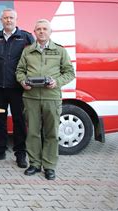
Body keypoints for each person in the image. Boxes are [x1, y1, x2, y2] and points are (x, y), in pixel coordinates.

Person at [16, 19, 75, 180]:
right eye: (38, 29)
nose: (41, 32)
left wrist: (57, 82)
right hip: (31, 97)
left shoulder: (60, 51)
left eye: (44, 29)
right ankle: (34, 164)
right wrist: (22, 82)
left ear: (50, 32)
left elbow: (69, 72)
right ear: (34, 32)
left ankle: (49, 166)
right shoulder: (27, 51)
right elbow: (20, 71)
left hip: (52, 97)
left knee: (51, 133)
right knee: (33, 132)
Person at [0, 9, 34, 168]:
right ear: (1, 20)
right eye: (5, 18)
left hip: (17, 87)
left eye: (11, 18)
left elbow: (33, 61)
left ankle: (21, 154)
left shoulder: (26, 37)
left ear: (16, 19)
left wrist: (29, 81)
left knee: (19, 121)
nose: (8, 20)